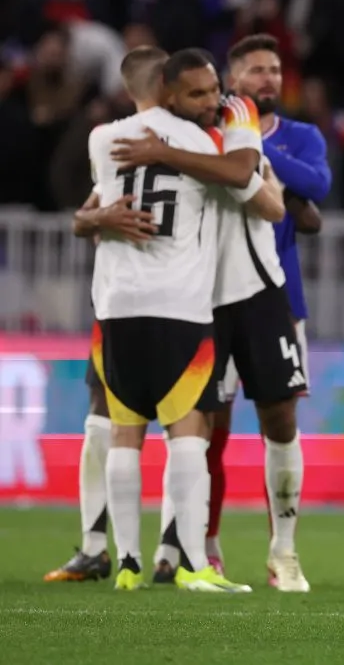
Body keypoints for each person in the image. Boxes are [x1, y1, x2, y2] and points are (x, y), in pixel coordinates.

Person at [112, 48, 311, 593]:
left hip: (257, 289)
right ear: (169, 93)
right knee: (194, 424)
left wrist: (168, 156)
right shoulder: (151, 130)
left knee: (279, 418)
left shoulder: (236, 112)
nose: (208, 99)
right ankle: (188, 549)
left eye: (211, 89)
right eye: (195, 92)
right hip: (193, 298)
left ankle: (283, 553)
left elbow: (256, 187)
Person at [195, 33, 329, 583]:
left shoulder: (301, 135)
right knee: (208, 427)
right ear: (232, 79)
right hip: (209, 296)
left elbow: (318, 184)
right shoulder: (202, 131)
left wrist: (250, 144)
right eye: (256, 70)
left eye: (274, 69)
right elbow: (301, 199)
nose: (268, 78)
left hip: (278, 299)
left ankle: (283, 552)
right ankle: (203, 545)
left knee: (281, 421)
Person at [43, 47, 170, 584]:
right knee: (103, 415)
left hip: (188, 303)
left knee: (189, 427)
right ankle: (97, 546)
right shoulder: (113, 141)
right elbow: (82, 214)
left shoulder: (200, 143)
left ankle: (173, 554)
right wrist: (98, 217)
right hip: (120, 302)